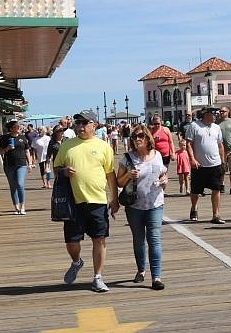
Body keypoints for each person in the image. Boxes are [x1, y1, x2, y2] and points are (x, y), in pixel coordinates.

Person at [53, 109, 119, 293]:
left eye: (84, 123)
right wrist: (64, 171)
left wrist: (114, 199)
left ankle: (98, 277)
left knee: (99, 238)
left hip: (97, 200)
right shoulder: (67, 145)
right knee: (72, 242)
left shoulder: (104, 146)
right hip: (73, 202)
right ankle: (76, 261)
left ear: (94, 125)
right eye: (78, 123)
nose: (80, 126)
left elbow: (110, 174)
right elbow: (56, 167)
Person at [116, 124, 168, 290]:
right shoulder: (128, 158)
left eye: (140, 136)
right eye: (134, 137)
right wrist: (128, 175)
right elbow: (119, 182)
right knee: (138, 240)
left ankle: (156, 277)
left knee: (154, 239)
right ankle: (141, 270)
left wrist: (164, 180)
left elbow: (163, 174)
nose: (137, 139)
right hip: (134, 205)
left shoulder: (157, 155)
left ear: (147, 138)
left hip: (155, 203)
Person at [185, 106, 226, 224]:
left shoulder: (217, 128)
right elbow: (189, 144)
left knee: (216, 189)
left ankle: (216, 215)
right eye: (213, 114)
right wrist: (192, 159)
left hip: (215, 164)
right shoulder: (194, 126)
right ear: (206, 114)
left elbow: (220, 145)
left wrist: (222, 161)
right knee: (195, 191)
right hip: (200, 165)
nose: (215, 116)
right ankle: (194, 208)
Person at [0, 121, 33, 214]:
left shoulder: (22, 138)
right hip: (9, 165)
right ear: (11, 128)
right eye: (16, 126)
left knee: (20, 184)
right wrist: (7, 148)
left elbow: (27, 151)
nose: (18, 127)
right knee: (13, 186)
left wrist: (30, 163)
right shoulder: (5, 138)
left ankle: (22, 206)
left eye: (18, 126)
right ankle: (16, 206)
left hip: (21, 164)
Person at [150, 114, 176, 194]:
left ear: (161, 122)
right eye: (155, 124)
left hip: (165, 155)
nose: (157, 125)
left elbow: (171, 142)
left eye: (158, 123)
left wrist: (173, 153)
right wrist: (153, 139)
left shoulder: (165, 129)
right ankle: (158, 189)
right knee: (156, 172)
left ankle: (163, 190)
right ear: (152, 123)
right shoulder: (151, 131)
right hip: (155, 156)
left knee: (164, 172)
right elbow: (147, 142)